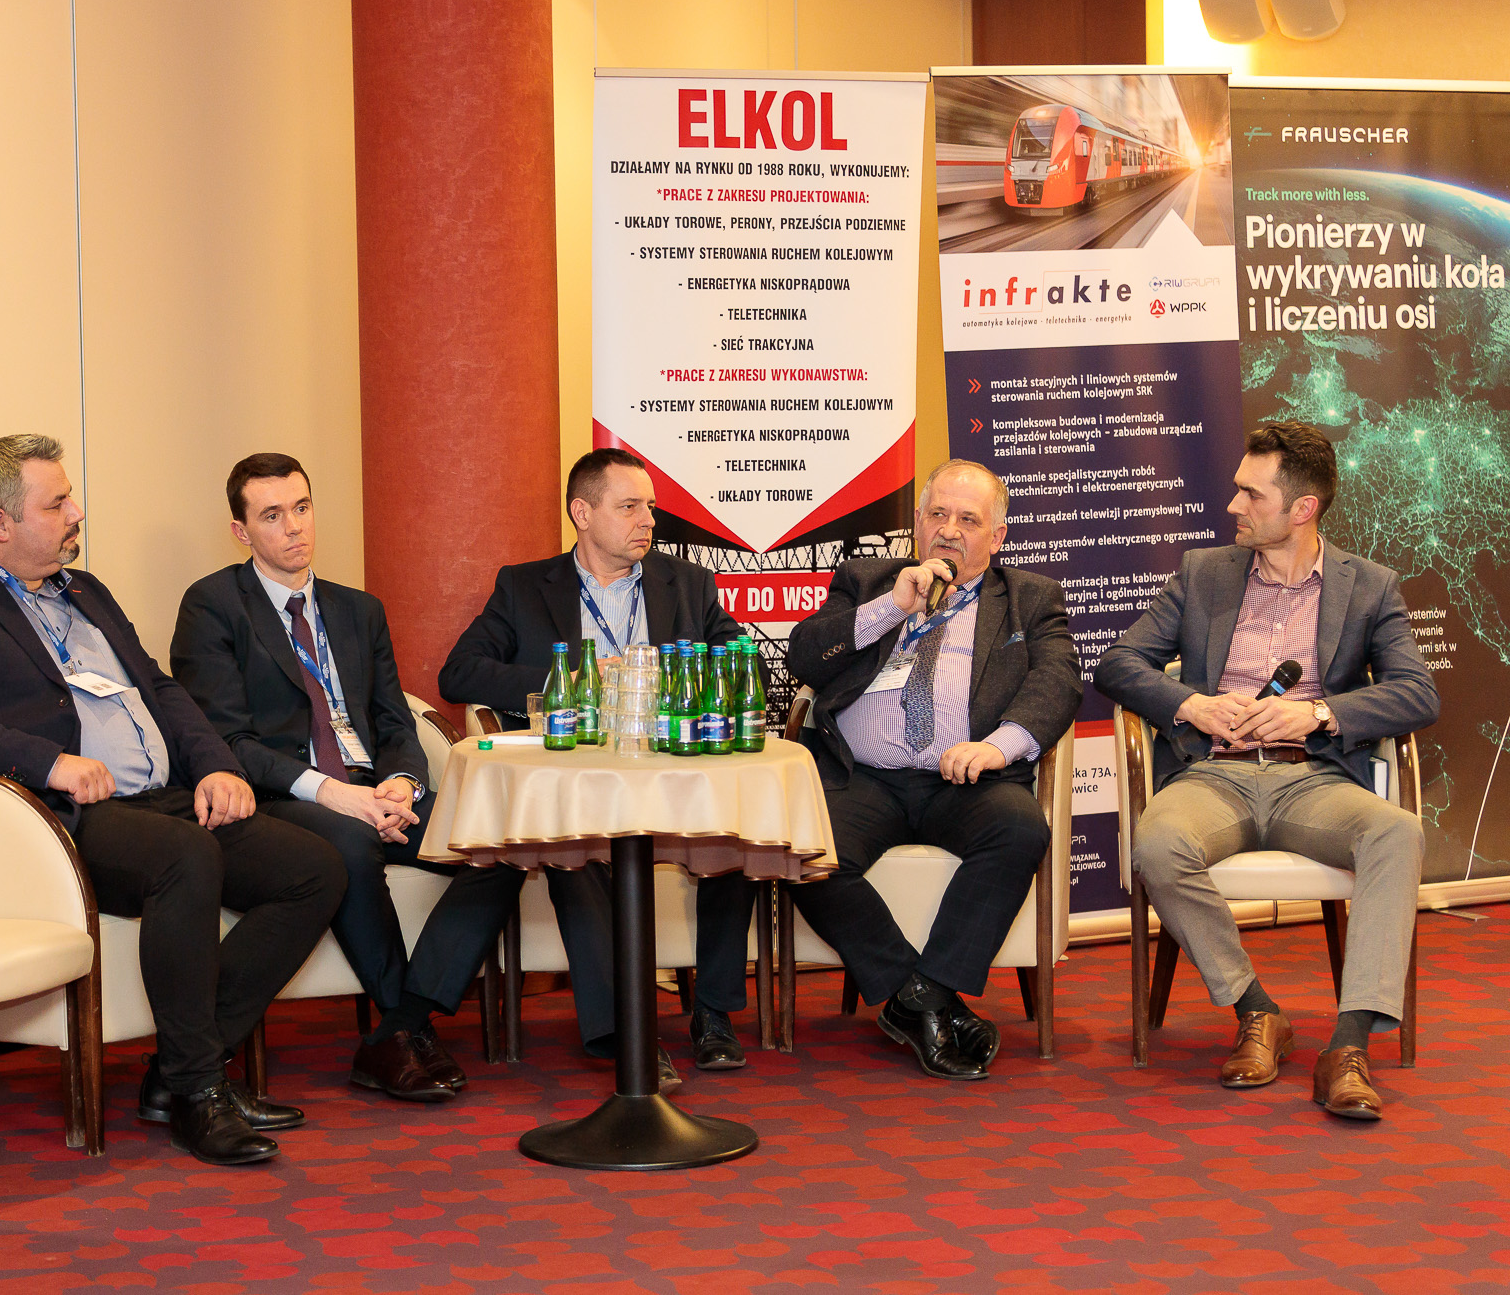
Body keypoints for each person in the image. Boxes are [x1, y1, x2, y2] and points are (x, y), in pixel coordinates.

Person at [0, 434, 346, 1166]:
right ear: (0, 523)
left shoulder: (84, 592)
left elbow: (157, 687)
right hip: (58, 822)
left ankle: (178, 1071)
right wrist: (49, 762)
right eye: (57, 503)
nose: (77, 513)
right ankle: (197, 1093)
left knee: (313, 868)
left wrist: (216, 765)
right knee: (186, 856)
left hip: (164, 800)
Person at [173, 453, 569, 1102]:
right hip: (284, 796)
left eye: (302, 507)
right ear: (241, 531)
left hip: (372, 786)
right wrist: (335, 794)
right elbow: (227, 740)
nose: (294, 527)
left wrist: (403, 782)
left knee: (496, 840)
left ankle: (403, 1021)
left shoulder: (358, 610)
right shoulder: (213, 606)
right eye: (272, 515)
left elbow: (393, 721)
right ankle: (403, 1034)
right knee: (351, 842)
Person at [1095, 421, 1438, 1120]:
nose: (1234, 505)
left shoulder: (1370, 587)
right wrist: (1193, 703)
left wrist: (1318, 714)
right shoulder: (1202, 572)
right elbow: (1118, 663)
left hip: (1313, 779)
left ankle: (1348, 1047)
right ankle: (1257, 1011)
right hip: (1212, 776)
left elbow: (1417, 693)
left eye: (1252, 494)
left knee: (1397, 832)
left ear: (1303, 508)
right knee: (1156, 843)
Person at [439, 447, 756, 1075]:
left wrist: (681, 674)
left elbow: (740, 660)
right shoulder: (524, 587)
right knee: (576, 857)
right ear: (582, 513)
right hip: (577, 787)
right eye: (630, 507)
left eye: (651, 507)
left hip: (672, 776)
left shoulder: (687, 584)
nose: (648, 521)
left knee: (734, 833)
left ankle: (713, 1014)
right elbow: (460, 672)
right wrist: (575, 677)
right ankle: (628, 1035)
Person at [785, 459, 1081, 1080]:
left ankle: (923, 995)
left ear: (996, 536)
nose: (949, 530)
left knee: (1020, 829)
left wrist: (999, 745)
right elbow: (806, 657)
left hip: (967, 779)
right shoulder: (868, 579)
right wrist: (892, 607)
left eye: (968, 520)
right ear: (917, 523)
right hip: (864, 777)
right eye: (938, 515)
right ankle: (922, 1000)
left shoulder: (1030, 597)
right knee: (804, 848)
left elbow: (1057, 681)